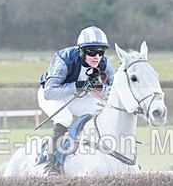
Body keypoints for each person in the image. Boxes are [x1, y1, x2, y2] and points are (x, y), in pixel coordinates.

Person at [38, 26, 115, 175]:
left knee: (99, 111)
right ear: (81, 50)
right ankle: (50, 165)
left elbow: (113, 88)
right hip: (51, 94)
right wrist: (78, 85)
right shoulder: (64, 59)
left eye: (101, 51)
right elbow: (50, 92)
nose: (97, 56)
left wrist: (100, 88)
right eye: (92, 51)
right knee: (64, 118)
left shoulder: (104, 63)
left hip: (77, 96)